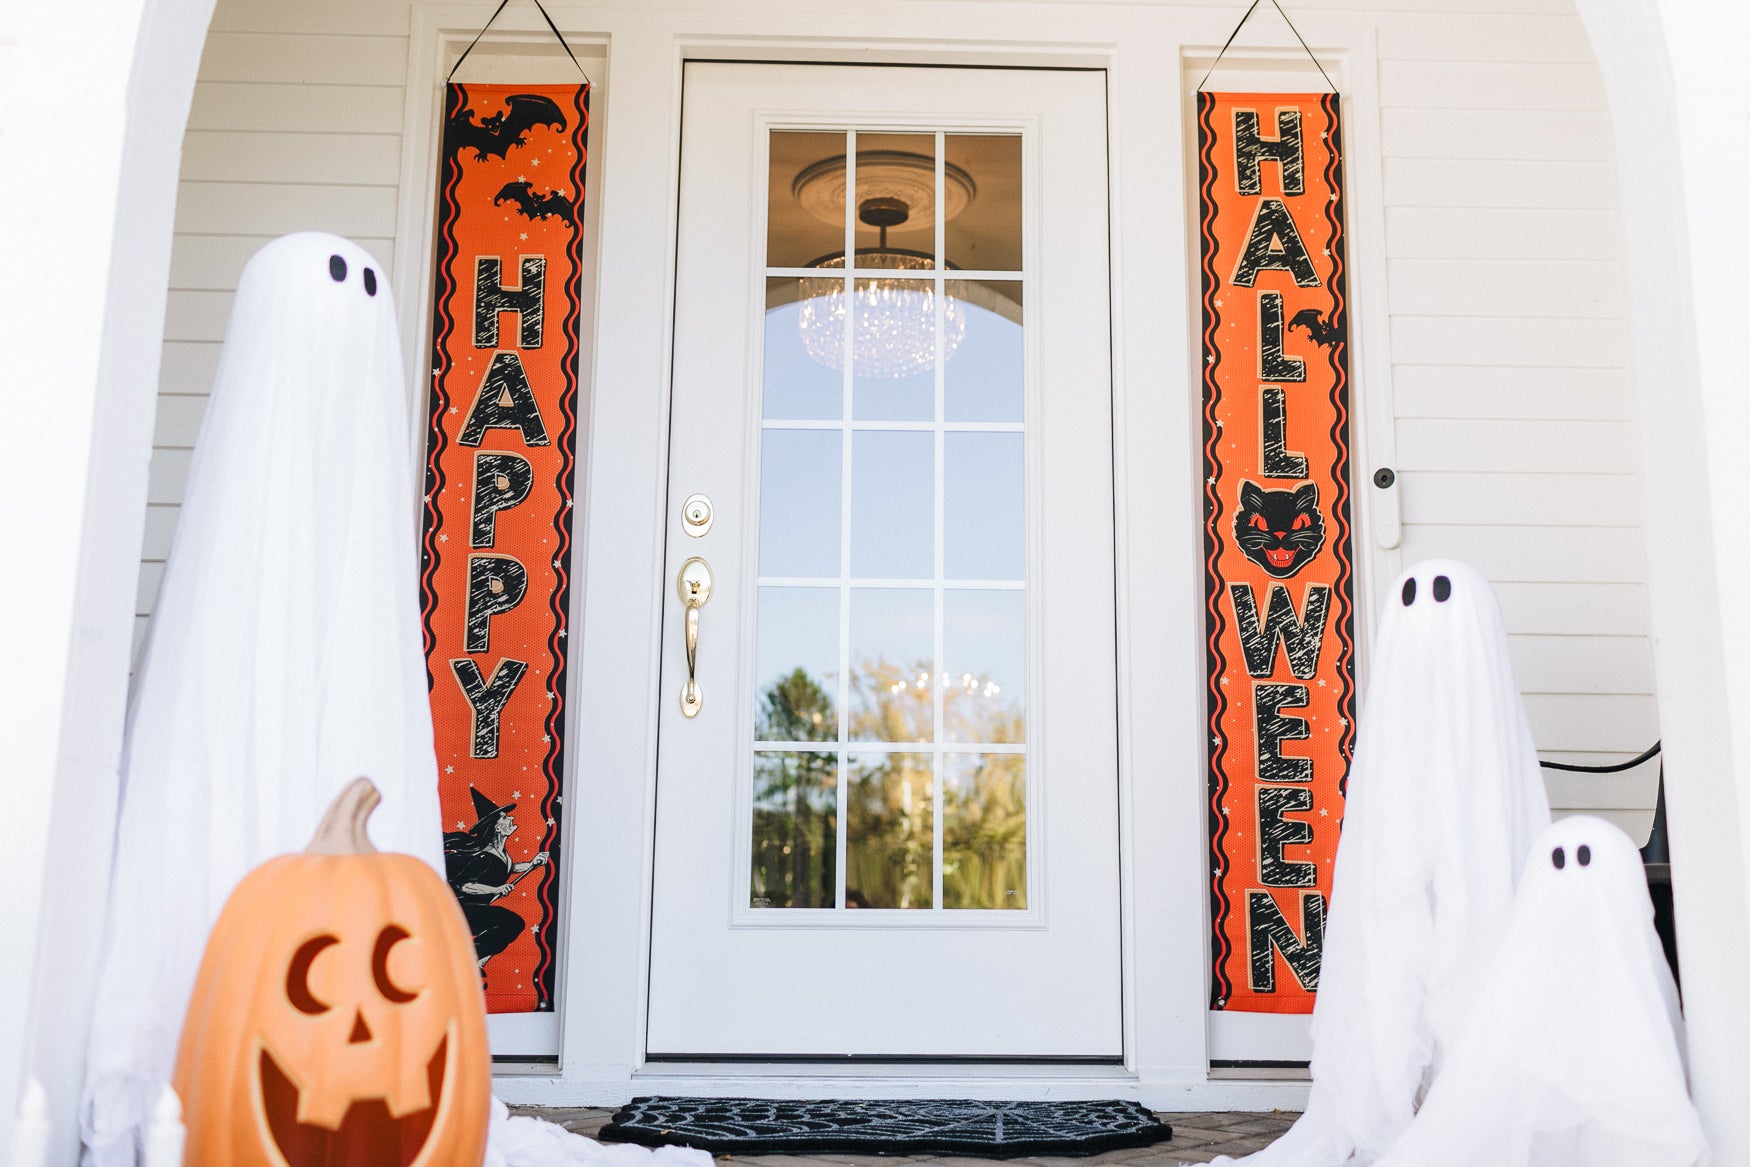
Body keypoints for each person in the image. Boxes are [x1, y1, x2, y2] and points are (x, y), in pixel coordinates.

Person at [444, 787, 549, 973]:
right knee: (510, 922)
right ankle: (467, 957)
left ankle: (475, 961)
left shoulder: (500, 854)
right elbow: (465, 885)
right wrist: (496, 889)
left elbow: (509, 868)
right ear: (497, 827)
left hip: (475, 909)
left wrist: (532, 863)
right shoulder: (484, 857)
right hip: (462, 911)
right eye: (505, 817)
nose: (511, 818)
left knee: (511, 924)